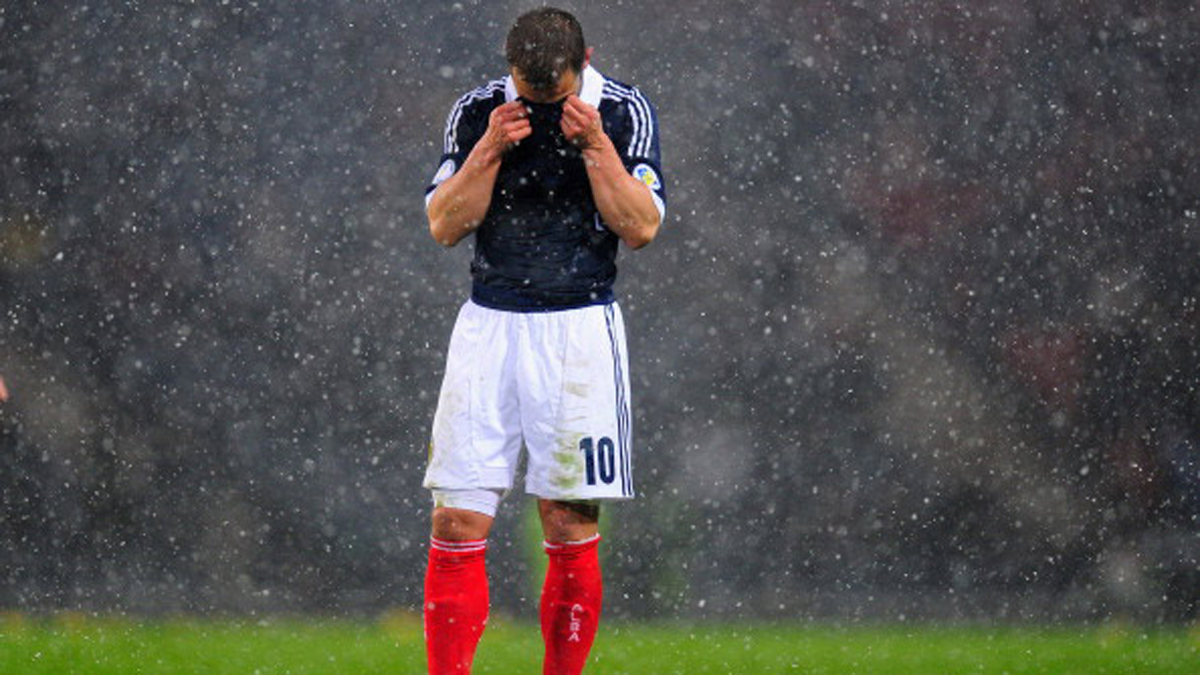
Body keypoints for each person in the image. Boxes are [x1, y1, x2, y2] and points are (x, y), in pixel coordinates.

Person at [420, 7, 665, 674]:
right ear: (509, 72)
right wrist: (489, 150)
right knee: (456, 521)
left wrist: (595, 149)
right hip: (488, 324)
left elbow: (640, 226)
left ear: (583, 64)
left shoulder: (623, 112)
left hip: (578, 329)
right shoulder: (478, 112)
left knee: (567, 520)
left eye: (552, 97)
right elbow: (444, 225)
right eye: (528, 94)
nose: (541, 110)